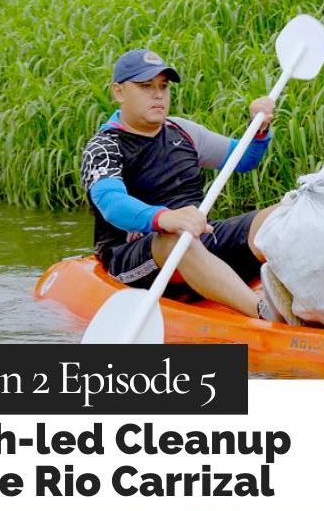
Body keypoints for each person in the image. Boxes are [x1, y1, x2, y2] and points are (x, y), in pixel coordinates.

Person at [80, 48, 288, 321]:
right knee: (176, 238)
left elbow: (243, 159)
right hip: (135, 259)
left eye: (163, 87)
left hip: (198, 242)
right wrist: (165, 218)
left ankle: (314, 301)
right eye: (145, 87)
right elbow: (111, 204)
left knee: (282, 215)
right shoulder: (104, 146)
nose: (158, 95)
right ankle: (264, 314)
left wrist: (258, 128)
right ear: (118, 92)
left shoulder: (182, 131)